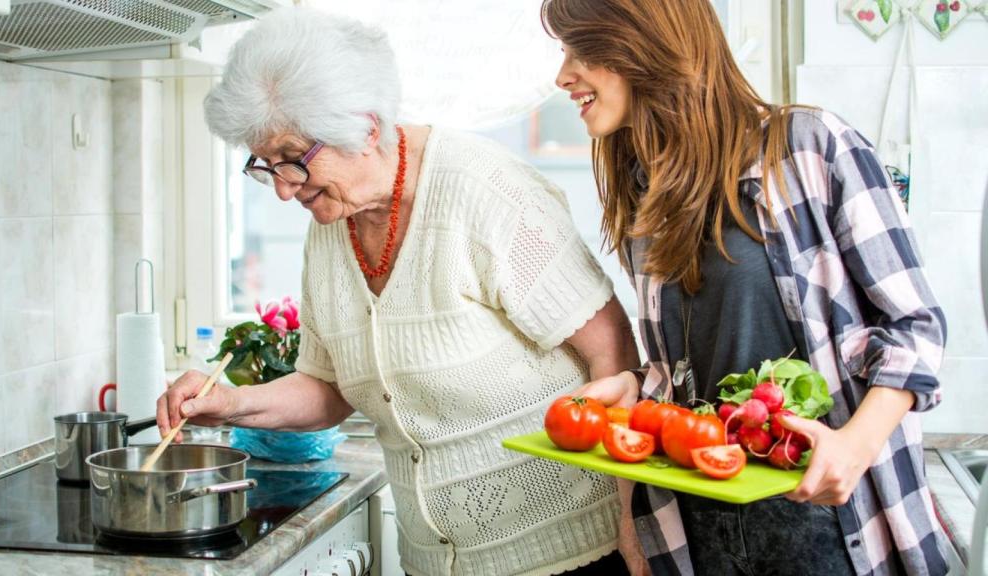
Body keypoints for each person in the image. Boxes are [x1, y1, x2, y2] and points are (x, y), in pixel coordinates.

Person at [156, 6, 643, 576]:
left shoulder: (485, 192)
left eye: (294, 162)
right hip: (433, 561)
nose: (285, 190)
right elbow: (329, 388)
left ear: (366, 127)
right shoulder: (331, 228)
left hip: (567, 554)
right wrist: (231, 405)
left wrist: (634, 529)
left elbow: (613, 354)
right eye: (265, 167)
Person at [542, 1, 949, 575]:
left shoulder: (809, 146)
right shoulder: (644, 186)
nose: (563, 75)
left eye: (581, 50)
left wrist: (853, 447)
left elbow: (916, 325)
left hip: (827, 514)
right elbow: (699, 364)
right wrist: (640, 386)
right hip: (699, 520)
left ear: (645, 44)